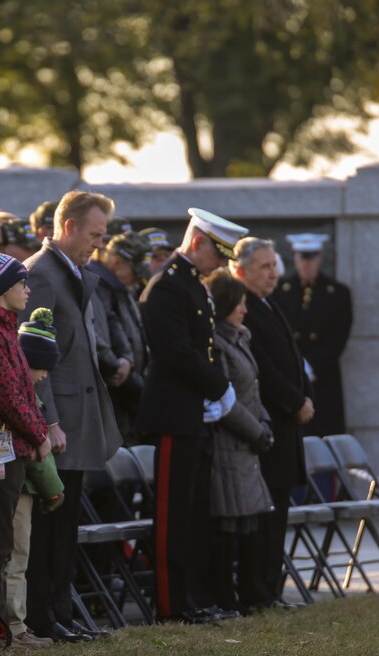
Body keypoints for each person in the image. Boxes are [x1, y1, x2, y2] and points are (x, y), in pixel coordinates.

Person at [22, 190, 122, 642]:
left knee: (65, 527)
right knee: (50, 525)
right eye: (94, 235)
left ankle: (60, 612)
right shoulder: (42, 275)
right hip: (60, 422)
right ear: (68, 227)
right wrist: (49, 420)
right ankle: (44, 617)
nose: (98, 245)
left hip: (78, 417)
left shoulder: (73, 273)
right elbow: (35, 358)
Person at [137, 208, 243, 624]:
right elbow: (177, 352)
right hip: (173, 414)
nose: (221, 263)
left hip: (193, 414)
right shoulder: (166, 286)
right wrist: (219, 386)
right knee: (172, 516)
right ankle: (171, 603)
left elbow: (203, 350)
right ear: (197, 242)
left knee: (194, 513)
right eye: (218, 253)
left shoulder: (194, 286)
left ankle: (193, 598)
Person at [0, 252, 51, 629]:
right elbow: (7, 397)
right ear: (2, 289)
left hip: (14, 448)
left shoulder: (4, 327)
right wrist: (39, 433)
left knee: (4, 545)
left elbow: (23, 393)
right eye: (21, 283)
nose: (27, 289)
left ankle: (6, 627)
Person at [234, 235, 312, 613]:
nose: (272, 274)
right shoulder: (243, 306)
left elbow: (293, 359)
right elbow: (261, 366)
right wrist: (295, 402)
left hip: (285, 427)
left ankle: (270, 588)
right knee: (263, 513)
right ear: (241, 270)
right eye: (263, 268)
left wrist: (304, 396)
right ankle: (256, 592)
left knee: (278, 509)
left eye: (273, 266)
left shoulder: (268, 304)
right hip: (266, 426)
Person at [204, 269, 275, 615]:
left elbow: (252, 391)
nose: (244, 310)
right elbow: (224, 399)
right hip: (229, 445)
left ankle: (251, 593)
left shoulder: (239, 339)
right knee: (226, 525)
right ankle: (224, 595)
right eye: (239, 304)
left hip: (246, 444)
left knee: (246, 521)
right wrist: (256, 431)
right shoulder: (216, 343)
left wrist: (264, 423)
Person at [5, 308, 65, 650]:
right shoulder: (25, 397)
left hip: (22, 486)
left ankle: (18, 624)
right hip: (23, 488)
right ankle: (13, 626)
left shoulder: (26, 390)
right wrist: (55, 491)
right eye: (40, 367)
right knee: (16, 556)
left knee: (17, 557)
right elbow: (39, 454)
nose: (43, 376)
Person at [270, 233, 352, 438]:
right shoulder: (280, 291)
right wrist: (297, 363)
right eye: (301, 258)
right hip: (290, 375)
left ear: (320, 258)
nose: (306, 264)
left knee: (326, 432)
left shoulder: (338, 293)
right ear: (295, 259)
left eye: (311, 258)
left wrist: (311, 365)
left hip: (322, 377)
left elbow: (338, 338)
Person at [89, 232, 150, 445]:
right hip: (116, 394)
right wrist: (122, 369)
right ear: (116, 262)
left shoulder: (117, 288)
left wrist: (129, 361)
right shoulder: (100, 286)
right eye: (134, 272)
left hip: (127, 390)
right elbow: (101, 339)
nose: (136, 279)